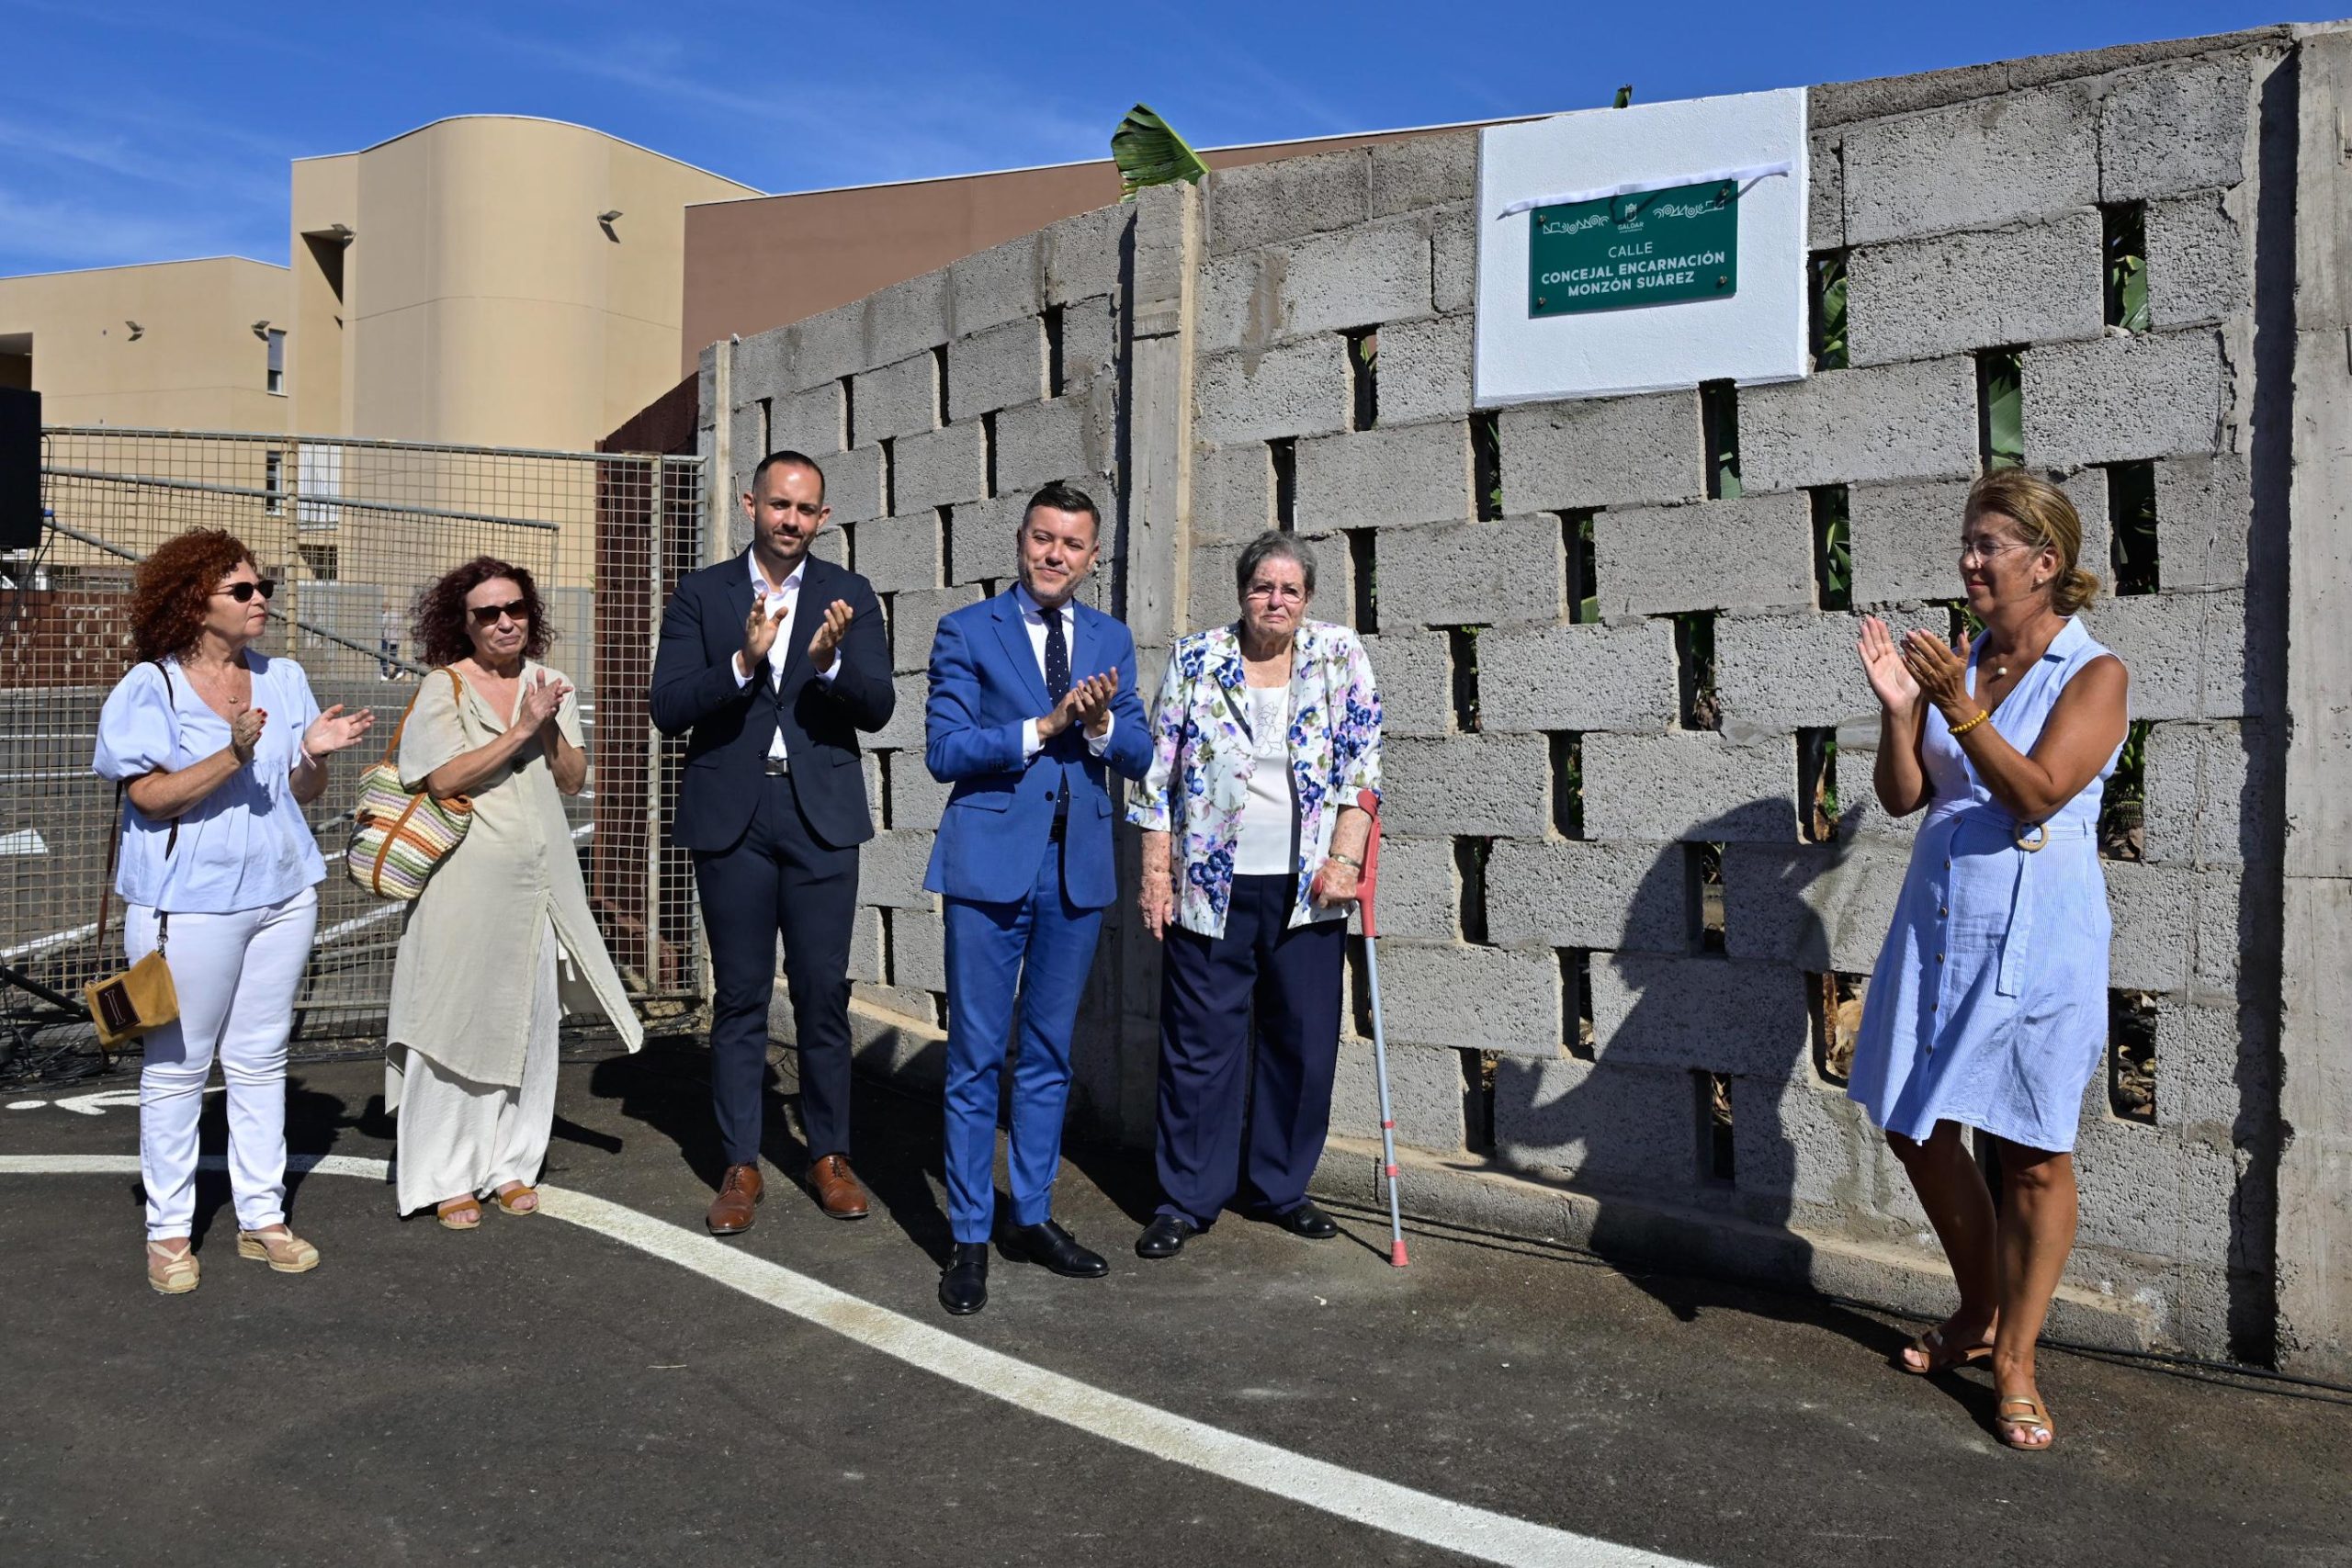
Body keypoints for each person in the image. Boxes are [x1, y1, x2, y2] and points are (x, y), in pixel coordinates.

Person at [1849, 468, 2130, 1454]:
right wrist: (1897, 710)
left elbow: (2040, 793)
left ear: (2045, 564)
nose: (1968, 560)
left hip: (2035, 933)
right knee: (1914, 1124)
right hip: (1938, 921)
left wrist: (1953, 702)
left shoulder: (2093, 675)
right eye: (1967, 542)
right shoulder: (1957, 661)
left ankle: (2016, 1357)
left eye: (1989, 546)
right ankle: (1977, 1310)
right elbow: (1904, 796)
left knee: (2031, 1150)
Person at [93, 529, 375, 1294]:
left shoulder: (281, 677)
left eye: (264, 587)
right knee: (179, 1067)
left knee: (260, 1058)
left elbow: (302, 792)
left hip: (283, 893)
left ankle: (262, 1215)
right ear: (193, 601)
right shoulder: (151, 687)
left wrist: (313, 752)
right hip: (190, 905)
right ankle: (169, 1232)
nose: (261, 601)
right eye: (243, 590)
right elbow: (150, 795)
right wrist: (233, 753)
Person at [650, 450, 894, 1235]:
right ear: (751, 504)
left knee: (824, 993)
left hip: (820, 816)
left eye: (806, 509)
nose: (791, 519)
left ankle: (830, 1154)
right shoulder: (702, 592)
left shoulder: (848, 596)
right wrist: (743, 660)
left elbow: (880, 705)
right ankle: (741, 1162)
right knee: (742, 996)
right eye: (779, 504)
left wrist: (824, 666)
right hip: (735, 819)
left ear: (823, 518)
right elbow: (668, 704)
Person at [923, 480, 1150, 1315]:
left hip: (1076, 871)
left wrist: (1095, 727)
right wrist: (1045, 728)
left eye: (1073, 544)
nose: (1055, 555)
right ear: (1020, 541)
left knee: (1050, 1053)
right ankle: (970, 1235)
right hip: (989, 868)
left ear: (1093, 558)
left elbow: (1138, 749)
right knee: (978, 1057)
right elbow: (943, 750)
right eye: (1042, 538)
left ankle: (1033, 1214)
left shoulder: (1110, 636)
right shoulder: (966, 630)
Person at [1128, 532, 1382, 1260]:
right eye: (1263, 587)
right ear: (1241, 591)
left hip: (1309, 887)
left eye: (1290, 589)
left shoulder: (1339, 656)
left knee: (1300, 1044)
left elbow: (1364, 766)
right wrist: (1156, 875)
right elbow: (1156, 775)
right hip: (1211, 885)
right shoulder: (1197, 657)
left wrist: (1345, 857)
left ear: (1308, 598)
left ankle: (1279, 1186)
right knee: (1200, 1049)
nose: (1276, 600)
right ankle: (1186, 1197)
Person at [386, 558, 645, 1229]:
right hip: (463, 886)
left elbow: (571, 777)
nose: (505, 622)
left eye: (516, 609)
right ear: (463, 623)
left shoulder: (549, 683)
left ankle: (510, 1163)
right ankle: (445, 1173)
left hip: (541, 884)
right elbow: (443, 779)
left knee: (528, 1026)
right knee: (455, 1022)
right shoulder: (445, 687)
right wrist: (521, 728)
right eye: (488, 613)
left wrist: (549, 721)